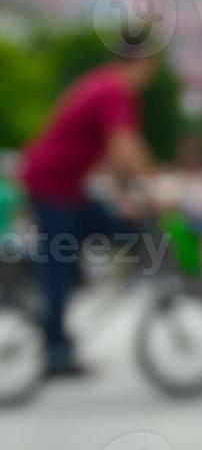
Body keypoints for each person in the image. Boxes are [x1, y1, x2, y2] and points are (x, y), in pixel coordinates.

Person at [18, 40, 159, 376]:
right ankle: (55, 350)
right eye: (150, 66)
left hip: (67, 188)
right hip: (51, 186)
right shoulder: (112, 89)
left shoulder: (103, 86)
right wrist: (151, 187)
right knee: (58, 264)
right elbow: (124, 146)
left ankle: (63, 304)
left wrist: (126, 192)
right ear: (138, 62)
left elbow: (112, 156)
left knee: (114, 229)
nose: (151, 75)